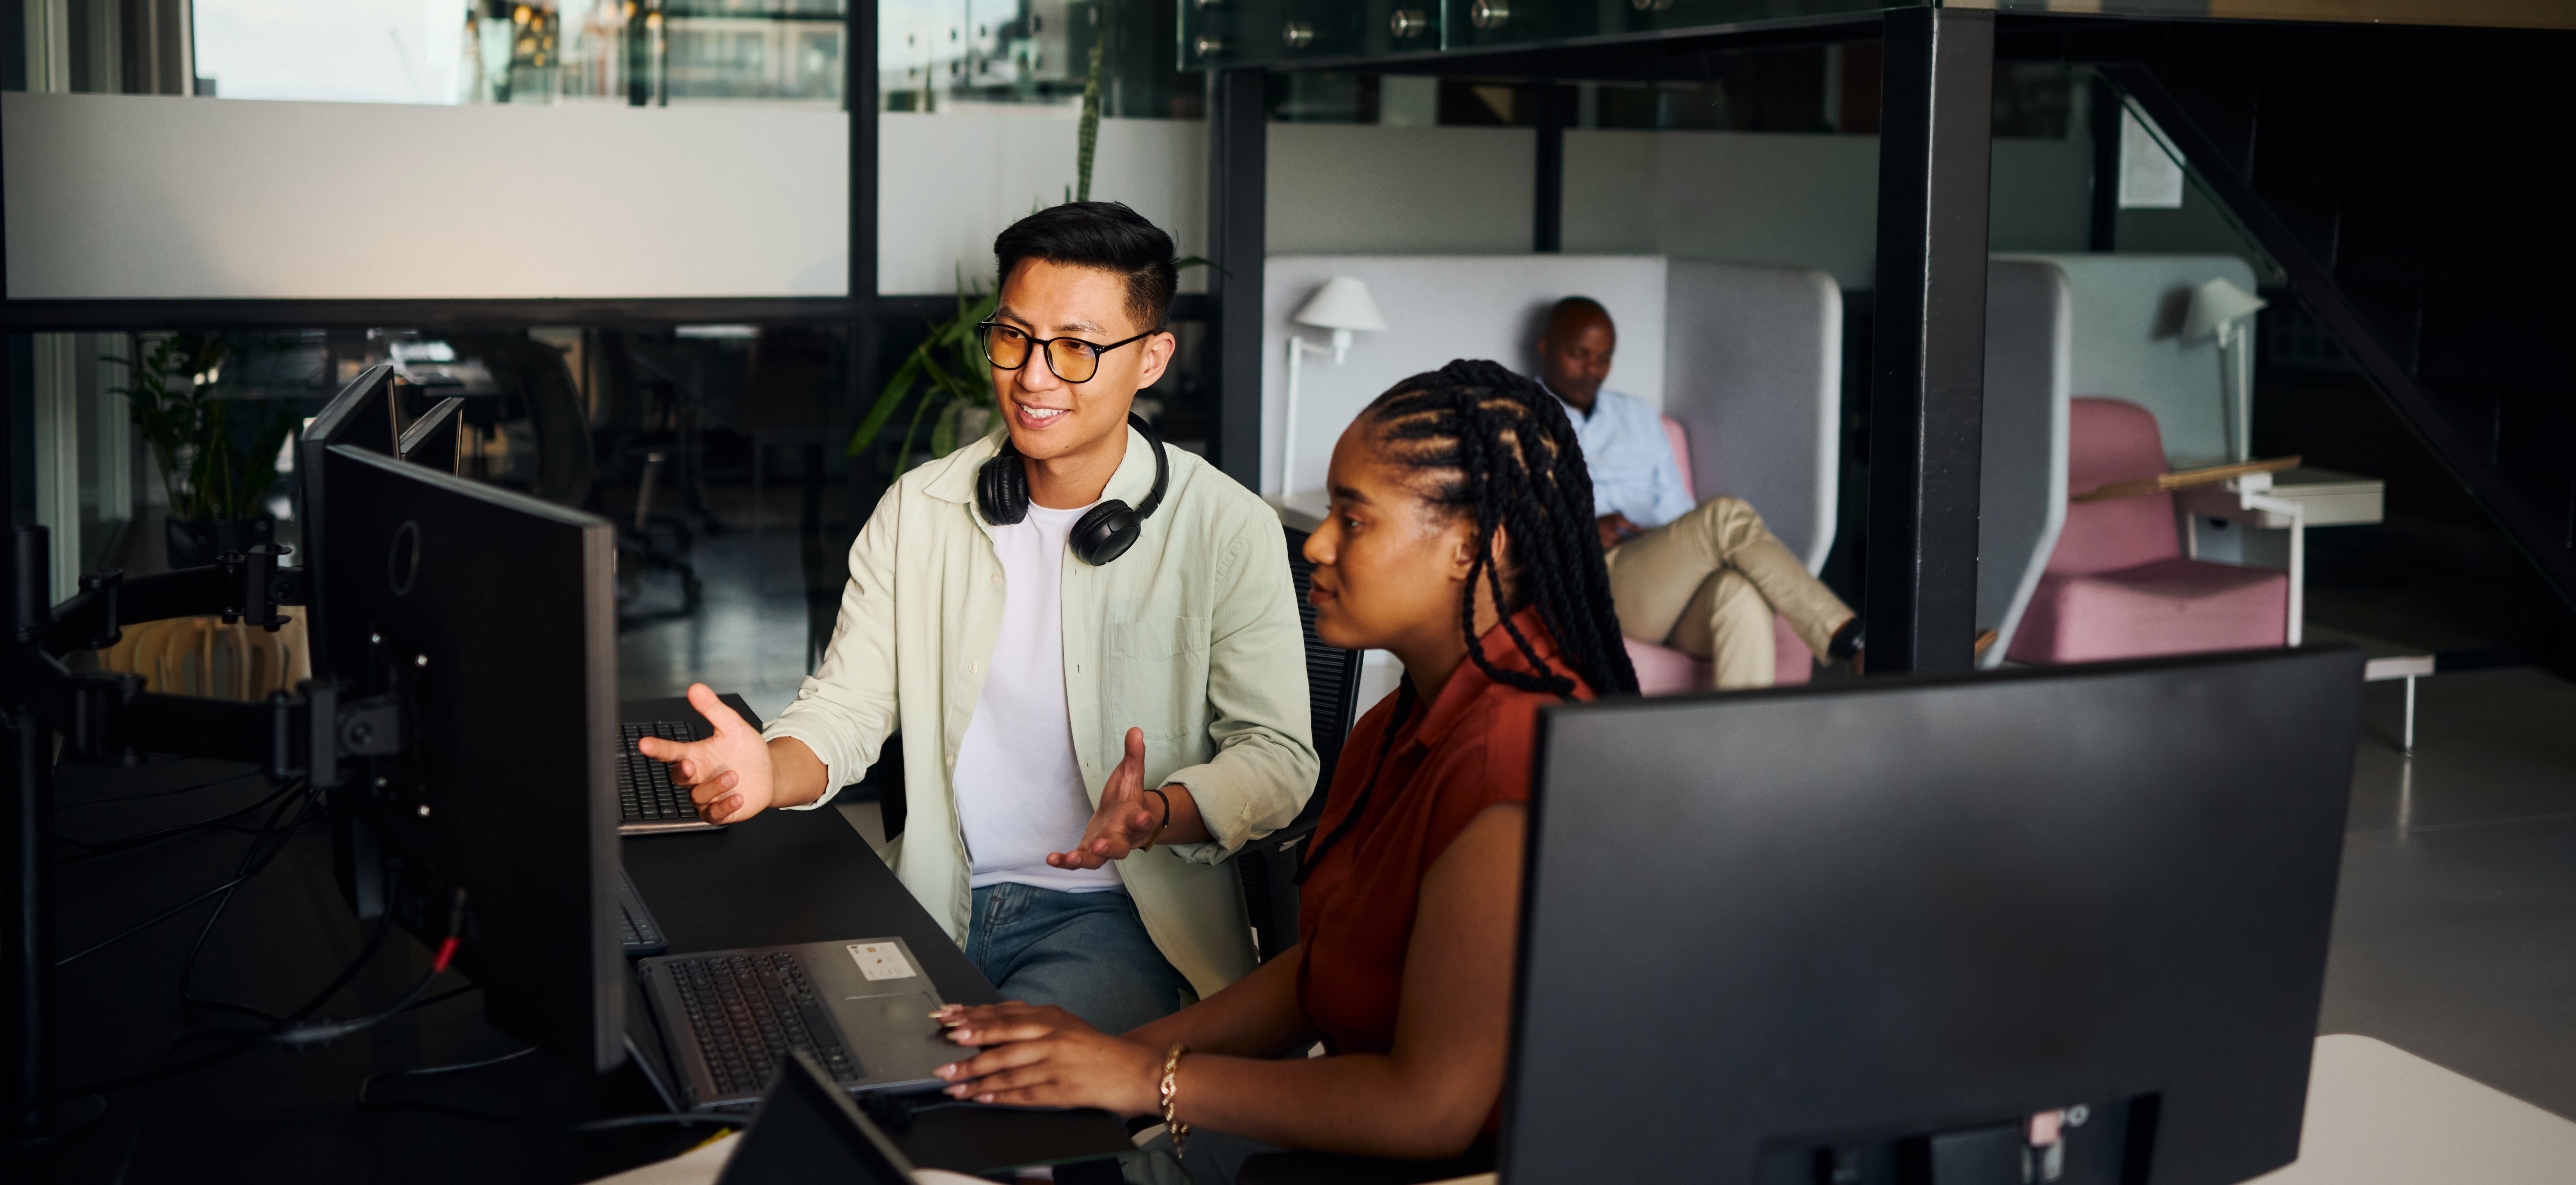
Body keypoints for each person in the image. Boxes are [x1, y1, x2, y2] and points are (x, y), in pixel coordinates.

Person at [919, 360, 1638, 1184]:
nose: (1318, 545)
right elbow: (1319, 973)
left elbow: (1431, 1112)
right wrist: (1105, 1058)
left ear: (1474, 547)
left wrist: (1145, 1082)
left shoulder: (1510, 758)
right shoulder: (1395, 725)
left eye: (1353, 520)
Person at [639, 202, 1317, 1036]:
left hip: (1113, 921)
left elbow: (1279, 756)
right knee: (779, 1059)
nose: (1033, 376)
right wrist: (769, 772)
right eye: (1014, 337)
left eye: (1076, 348)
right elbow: (850, 706)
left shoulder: (1225, 527)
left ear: (1152, 359)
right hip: (932, 896)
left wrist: (1163, 811)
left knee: (992, 1095)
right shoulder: (921, 509)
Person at [1537, 295, 1866, 687]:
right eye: (1579, 354)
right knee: (1723, 516)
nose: (1593, 369)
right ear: (1545, 346)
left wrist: (1667, 543)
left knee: (1738, 594)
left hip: (1661, 574)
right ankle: (1851, 640)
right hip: (1598, 579)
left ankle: (1740, 746)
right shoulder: (1519, 420)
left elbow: (1678, 511)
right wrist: (1583, 531)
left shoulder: (1639, 417)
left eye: (1604, 357)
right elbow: (1509, 529)